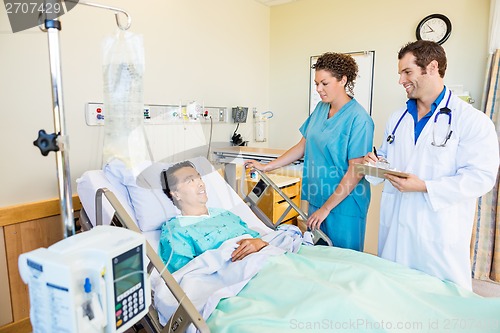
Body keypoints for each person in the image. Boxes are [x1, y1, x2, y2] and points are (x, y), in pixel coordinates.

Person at [363, 40, 499, 290]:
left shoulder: (472, 121)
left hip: (437, 231)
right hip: (395, 227)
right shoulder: (397, 118)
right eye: (400, 73)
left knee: (439, 300)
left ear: (432, 67)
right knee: (393, 295)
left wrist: (425, 186)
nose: (401, 80)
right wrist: (376, 163)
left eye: (407, 72)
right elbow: (388, 156)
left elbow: (481, 177)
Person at [245, 52, 374, 251]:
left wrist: (326, 209)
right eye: (316, 84)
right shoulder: (321, 109)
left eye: (324, 83)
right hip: (318, 197)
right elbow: (302, 146)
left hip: (345, 203)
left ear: (343, 80)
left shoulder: (360, 120)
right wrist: (266, 166)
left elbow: (356, 171)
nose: (319, 89)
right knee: (318, 257)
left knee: (343, 262)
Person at [158, 161, 268, 273]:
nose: (201, 184)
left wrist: (260, 243)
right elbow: (185, 274)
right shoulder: (176, 230)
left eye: (199, 178)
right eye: (190, 180)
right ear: (176, 194)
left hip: (267, 259)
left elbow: (257, 239)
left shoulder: (224, 214)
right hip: (241, 276)